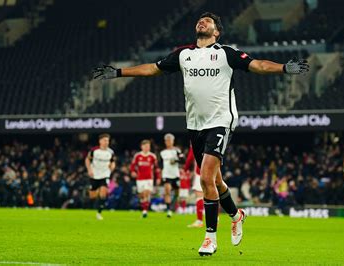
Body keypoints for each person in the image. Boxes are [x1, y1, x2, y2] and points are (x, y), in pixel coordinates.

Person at [93, 12, 309, 256]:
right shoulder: (184, 55)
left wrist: (284, 68)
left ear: (216, 31)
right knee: (214, 181)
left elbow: (257, 65)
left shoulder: (226, 53)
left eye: (209, 21)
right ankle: (236, 215)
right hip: (195, 125)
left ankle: (210, 238)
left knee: (205, 177)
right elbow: (153, 69)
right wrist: (119, 72)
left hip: (221, 121)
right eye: (200, 20)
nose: (202, 22)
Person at [85, 134, 116, 220]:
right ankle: (97, 191)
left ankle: (99, 213)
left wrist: (112, 167)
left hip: (105, 174)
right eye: (105, 140)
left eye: (108, 140)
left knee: (103, 193)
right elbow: (87, 159)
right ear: (100, 141)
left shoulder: (110, 152)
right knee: (92, 196)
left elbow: (113, 161)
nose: (106, 142)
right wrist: (89, 170)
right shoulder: (94, 151)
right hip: (95, 174)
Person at [130, 139, 161, 218]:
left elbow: (157, 168)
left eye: (148, 146)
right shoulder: (138, 156)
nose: (147, 148)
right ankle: (144, 207)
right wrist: (133, 172)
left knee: (146, 193)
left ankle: (145, 211)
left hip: (149, 178)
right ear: (142, 147)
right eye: (145, 146)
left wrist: (158, 178)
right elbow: (132, 166)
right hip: (140, 179)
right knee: (141, 195)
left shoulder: (152, 156)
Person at [159, 133, 185, 217]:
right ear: (165, 142)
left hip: (175, 174)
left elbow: (183, 160)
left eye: (170, 140)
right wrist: (160, 175)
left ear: (173, 141)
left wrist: (175, 160)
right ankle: (169, 210)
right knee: (167, 191)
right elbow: (160, 165)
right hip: (166, 175)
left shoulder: (177, 150)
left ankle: (174, 205)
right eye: (167, 140)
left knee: (177, 193)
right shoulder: (162, 152)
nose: (168, 142)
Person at [184, 144, 204, 228]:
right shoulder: (213, 137)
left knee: (199, 196)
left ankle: (199, 221)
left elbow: (191, 157)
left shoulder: (196, 137)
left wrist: (185, 168)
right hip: (214, 172)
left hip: (200, 172)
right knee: (212, 195)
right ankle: (216, 219)